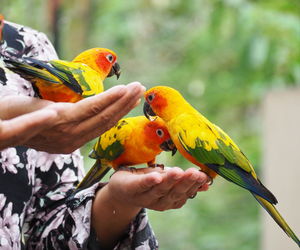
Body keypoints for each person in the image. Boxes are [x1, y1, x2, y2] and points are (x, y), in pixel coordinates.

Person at [0, 19, 209, 249]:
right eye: (110, 59)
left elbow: (51, 224)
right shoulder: (91, 81)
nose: (114, 66)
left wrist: (119, 201)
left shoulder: (29, 44)